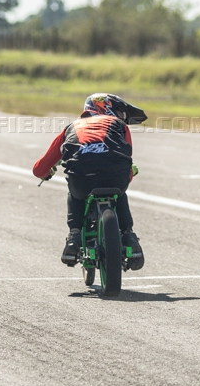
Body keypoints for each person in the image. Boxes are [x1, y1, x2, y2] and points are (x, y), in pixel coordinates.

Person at [32, 93, 146, 269]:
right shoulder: (120, 125)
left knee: (75, 193)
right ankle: (129, 236)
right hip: (116, 178)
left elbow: (39, 170)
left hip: (81, 181)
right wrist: (129, 174)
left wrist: (46, 173)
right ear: (106, 108)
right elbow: (126, 159)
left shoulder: (71, 127)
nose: (121, 117)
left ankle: (74, 236)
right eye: (119, 112)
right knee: (120, 193)